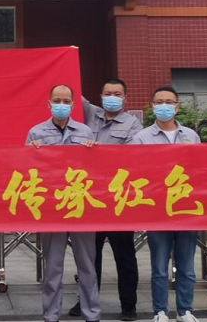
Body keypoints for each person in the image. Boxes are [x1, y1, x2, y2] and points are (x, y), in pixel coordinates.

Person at [67, 79, 143, 321]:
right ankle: (86, 300)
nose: (112, 97)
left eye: (117, 94)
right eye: (108, 93)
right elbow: (70, 88)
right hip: (90, 197)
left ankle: (129, 305)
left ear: (125, 98)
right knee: (90, 255)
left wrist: (98, 151)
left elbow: (130, 156)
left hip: (118, 199)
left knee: (125, 255)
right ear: (100, 96)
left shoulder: (133, 124)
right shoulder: (90, 114)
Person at [27, 84, 100, 322]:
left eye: (66, 101)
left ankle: (92, 313)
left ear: (73, 104)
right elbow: (27, 169)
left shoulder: (85, 132)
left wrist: (94, 151)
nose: (61, 104)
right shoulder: (36, 133)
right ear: (49, 103)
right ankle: (51, 314)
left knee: (87, 266)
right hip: (51, 208)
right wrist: (31, 152)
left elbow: (95, 169)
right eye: (57, 100)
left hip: (80, 206)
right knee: (53, 266)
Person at [128, 86, 201, 322]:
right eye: (159, 102)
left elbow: (201, 169)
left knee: (186, 266)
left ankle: (185, 310)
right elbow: (134, 170)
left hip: (186, 208)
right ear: (152, 106)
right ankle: (160, 311)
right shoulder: (141, 138)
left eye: (169, 102)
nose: (164, 106)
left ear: (177, 106)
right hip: (157, 210)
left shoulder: (191, 136)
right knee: (159, 266)